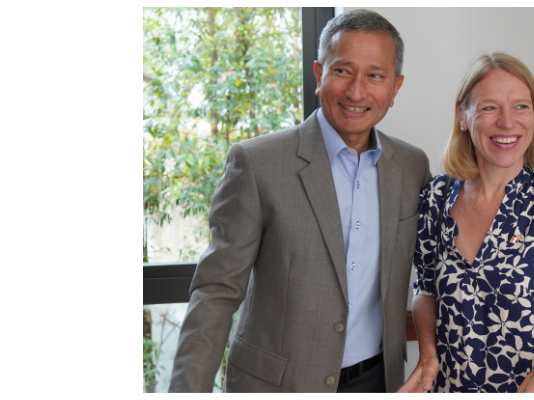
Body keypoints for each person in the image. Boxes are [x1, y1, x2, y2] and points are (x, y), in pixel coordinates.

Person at [168, 9, 431, 393]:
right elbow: (216, 291)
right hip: (278, 384)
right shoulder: (258, 163)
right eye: (342, 71)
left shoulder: (412, 166)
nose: (357, 91)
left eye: (375, 75)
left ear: (395, 87)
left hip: (379, 381)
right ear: (318, 74)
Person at [399, 52, 534, 393]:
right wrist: (427, 354)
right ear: (462, 116)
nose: (507, 122)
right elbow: (425, 290)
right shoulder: (435, 198)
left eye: (520, 107)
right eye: (489, 107)